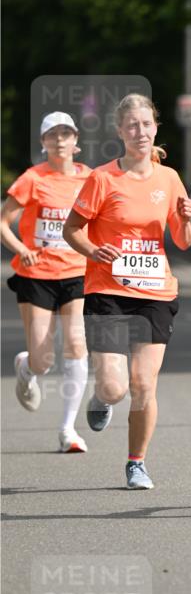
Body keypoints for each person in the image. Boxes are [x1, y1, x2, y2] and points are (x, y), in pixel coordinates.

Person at [63, 94, 191, 490]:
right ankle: (101, 397)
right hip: (108, 290)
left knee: (144, 384)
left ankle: (136, 462)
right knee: (115, 387)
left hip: (155, 291)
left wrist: (187, 220)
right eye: (131, 126)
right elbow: (72, 230)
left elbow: (184, 242)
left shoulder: (169, 178)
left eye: (146, 124)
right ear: (120, 132)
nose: (140, 132)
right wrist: (93, 250)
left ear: (155, 128)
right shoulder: (102, 178)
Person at [1, 112, 91, 452]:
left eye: (65, 133)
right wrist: (22, 249)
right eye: (52, 135)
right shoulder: (32, 179)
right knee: (43, 360)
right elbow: (3, 222)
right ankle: (27, 367)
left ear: (75, 141)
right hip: (36, 275)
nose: (59, 140)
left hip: (75, 272)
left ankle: (68, 429)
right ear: (43, 143)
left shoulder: (90, 178)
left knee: (76, 345)